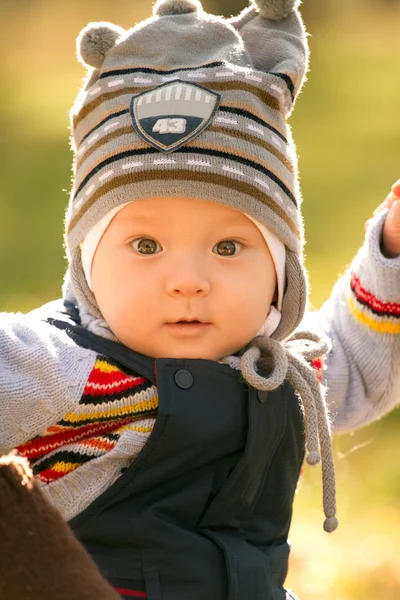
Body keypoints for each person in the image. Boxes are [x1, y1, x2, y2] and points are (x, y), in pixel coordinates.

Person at [0, 0, 399, 598]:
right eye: (145, 243)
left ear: (280, 272)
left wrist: (392, 250)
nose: (187, 280)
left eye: (230, 248)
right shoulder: (50, 366)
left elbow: (362, 357)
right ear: (87, 263)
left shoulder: (277, 376)